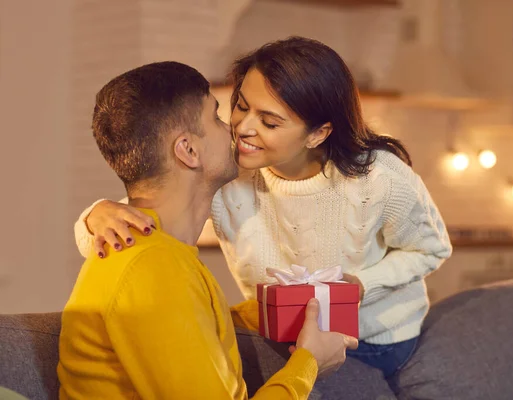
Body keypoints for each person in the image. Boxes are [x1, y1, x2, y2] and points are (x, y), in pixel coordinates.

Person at [74, 37, 452, 394]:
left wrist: (360, 286)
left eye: (269, 122)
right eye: (239, 106)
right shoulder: (228, 174)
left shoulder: (380, 179)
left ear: (317, 134)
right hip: (283, 329)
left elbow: (431, 249)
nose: (243, 129)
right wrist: (95, 216)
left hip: (373, 337)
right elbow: (148, 209)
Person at [58, 61, 358, 400]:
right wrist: (310, 362)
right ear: (188, 150)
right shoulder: (151, 268)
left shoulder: (161, 256)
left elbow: (186, 331)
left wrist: (284, 305)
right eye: (216, 117)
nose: (236, 129)